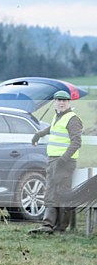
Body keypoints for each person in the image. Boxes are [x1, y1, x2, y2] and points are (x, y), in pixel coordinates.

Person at [29, 90, 82, 234]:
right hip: (53, 160)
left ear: (69, 102)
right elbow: (53, 129)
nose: (61, 102)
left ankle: (60, 228)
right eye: (59, 100)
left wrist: (63, 160)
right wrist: (39, 134)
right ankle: (47, 226)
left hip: (64, 162)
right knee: (51, 192)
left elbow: (76, 142)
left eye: (64, 100)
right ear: (55, 102)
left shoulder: (72, 119)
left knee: (62, 194)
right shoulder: (58, 116)